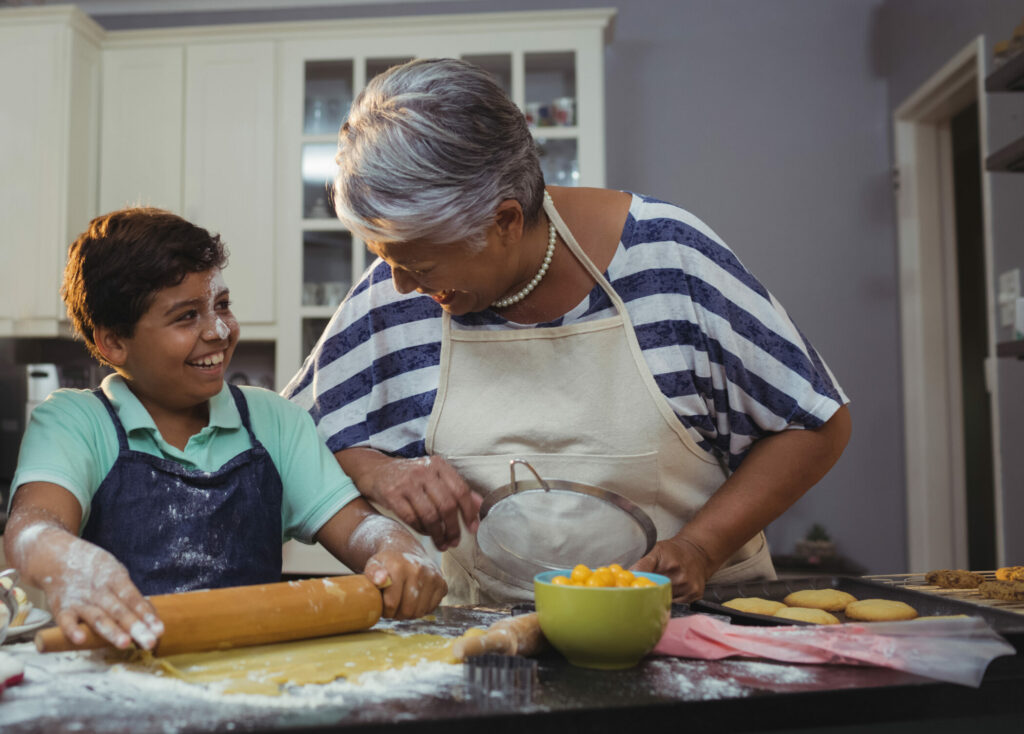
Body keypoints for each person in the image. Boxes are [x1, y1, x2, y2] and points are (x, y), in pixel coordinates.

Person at [284, 58, 852, 605]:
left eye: (422, 267)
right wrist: (375, 469)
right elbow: (286, 438)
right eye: (386, 259)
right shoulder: (396, 289)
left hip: (696, 628)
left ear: (505, 221)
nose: (400, 284)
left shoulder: (668, 258)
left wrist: (702, 547)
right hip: (494, 641)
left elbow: (814, 422)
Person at [3, 208, 446, 652]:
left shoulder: (275, 420)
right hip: (121, 688)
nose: (218, 330)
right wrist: (67, 559)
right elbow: (31, 527)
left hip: (252, 685)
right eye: (185, 317)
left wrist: (394, 548)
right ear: (113, 342)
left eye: (222, 305)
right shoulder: (75, 422)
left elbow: (358, 530)